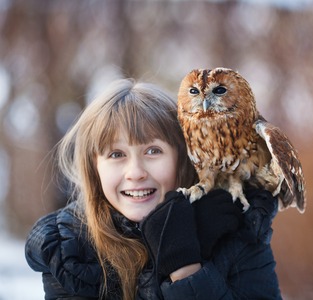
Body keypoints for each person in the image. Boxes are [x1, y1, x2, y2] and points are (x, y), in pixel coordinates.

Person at [25, 78, 281, 300]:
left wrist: (186, 268)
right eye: (116, 154)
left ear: (183, 158)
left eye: (153, 151)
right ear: (95, 167)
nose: (136, 172)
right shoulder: (70, 249)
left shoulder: (237, 232)